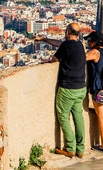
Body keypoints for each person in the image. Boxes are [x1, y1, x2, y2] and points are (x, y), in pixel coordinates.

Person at [35, 23, 86, 158]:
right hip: (81, 87)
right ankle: (80, 149)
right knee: (78, 118)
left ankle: (70, 148)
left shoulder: (66, 46)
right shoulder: (80, 45)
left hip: (68, 88)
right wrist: (44, 39)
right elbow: (60, 44)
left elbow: (54, 59)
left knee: (63, 116)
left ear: (68, 32)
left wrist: (49, 58)